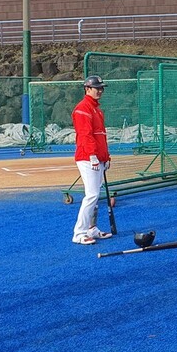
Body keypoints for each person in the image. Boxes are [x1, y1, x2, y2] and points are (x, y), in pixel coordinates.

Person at [71, 75, 113, 245]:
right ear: (87, 89)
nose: (100, 91)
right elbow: (85, 135)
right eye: (97, 88)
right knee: (92, 195)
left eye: (101, 88)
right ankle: (79, 233)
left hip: (97, 158)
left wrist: (106, 157)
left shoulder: (97, 110)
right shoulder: (82, 109)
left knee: (95, 195)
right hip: (88, 158)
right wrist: (93, 156)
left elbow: (101, 136)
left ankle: (91, 228)